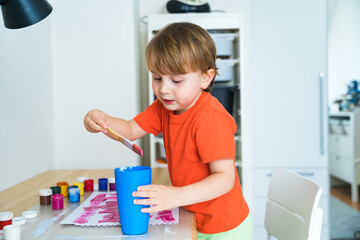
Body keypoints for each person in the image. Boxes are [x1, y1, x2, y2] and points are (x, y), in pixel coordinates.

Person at [84, 22, 252, 239]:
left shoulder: (210, 119)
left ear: (206, 78)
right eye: (157, 78)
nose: (163, 89)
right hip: (192, 218)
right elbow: (130, 129)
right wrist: (102, 122)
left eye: (176, 80)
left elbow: (224, 179)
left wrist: (176, 195)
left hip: (225, 227)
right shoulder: (165, 106)